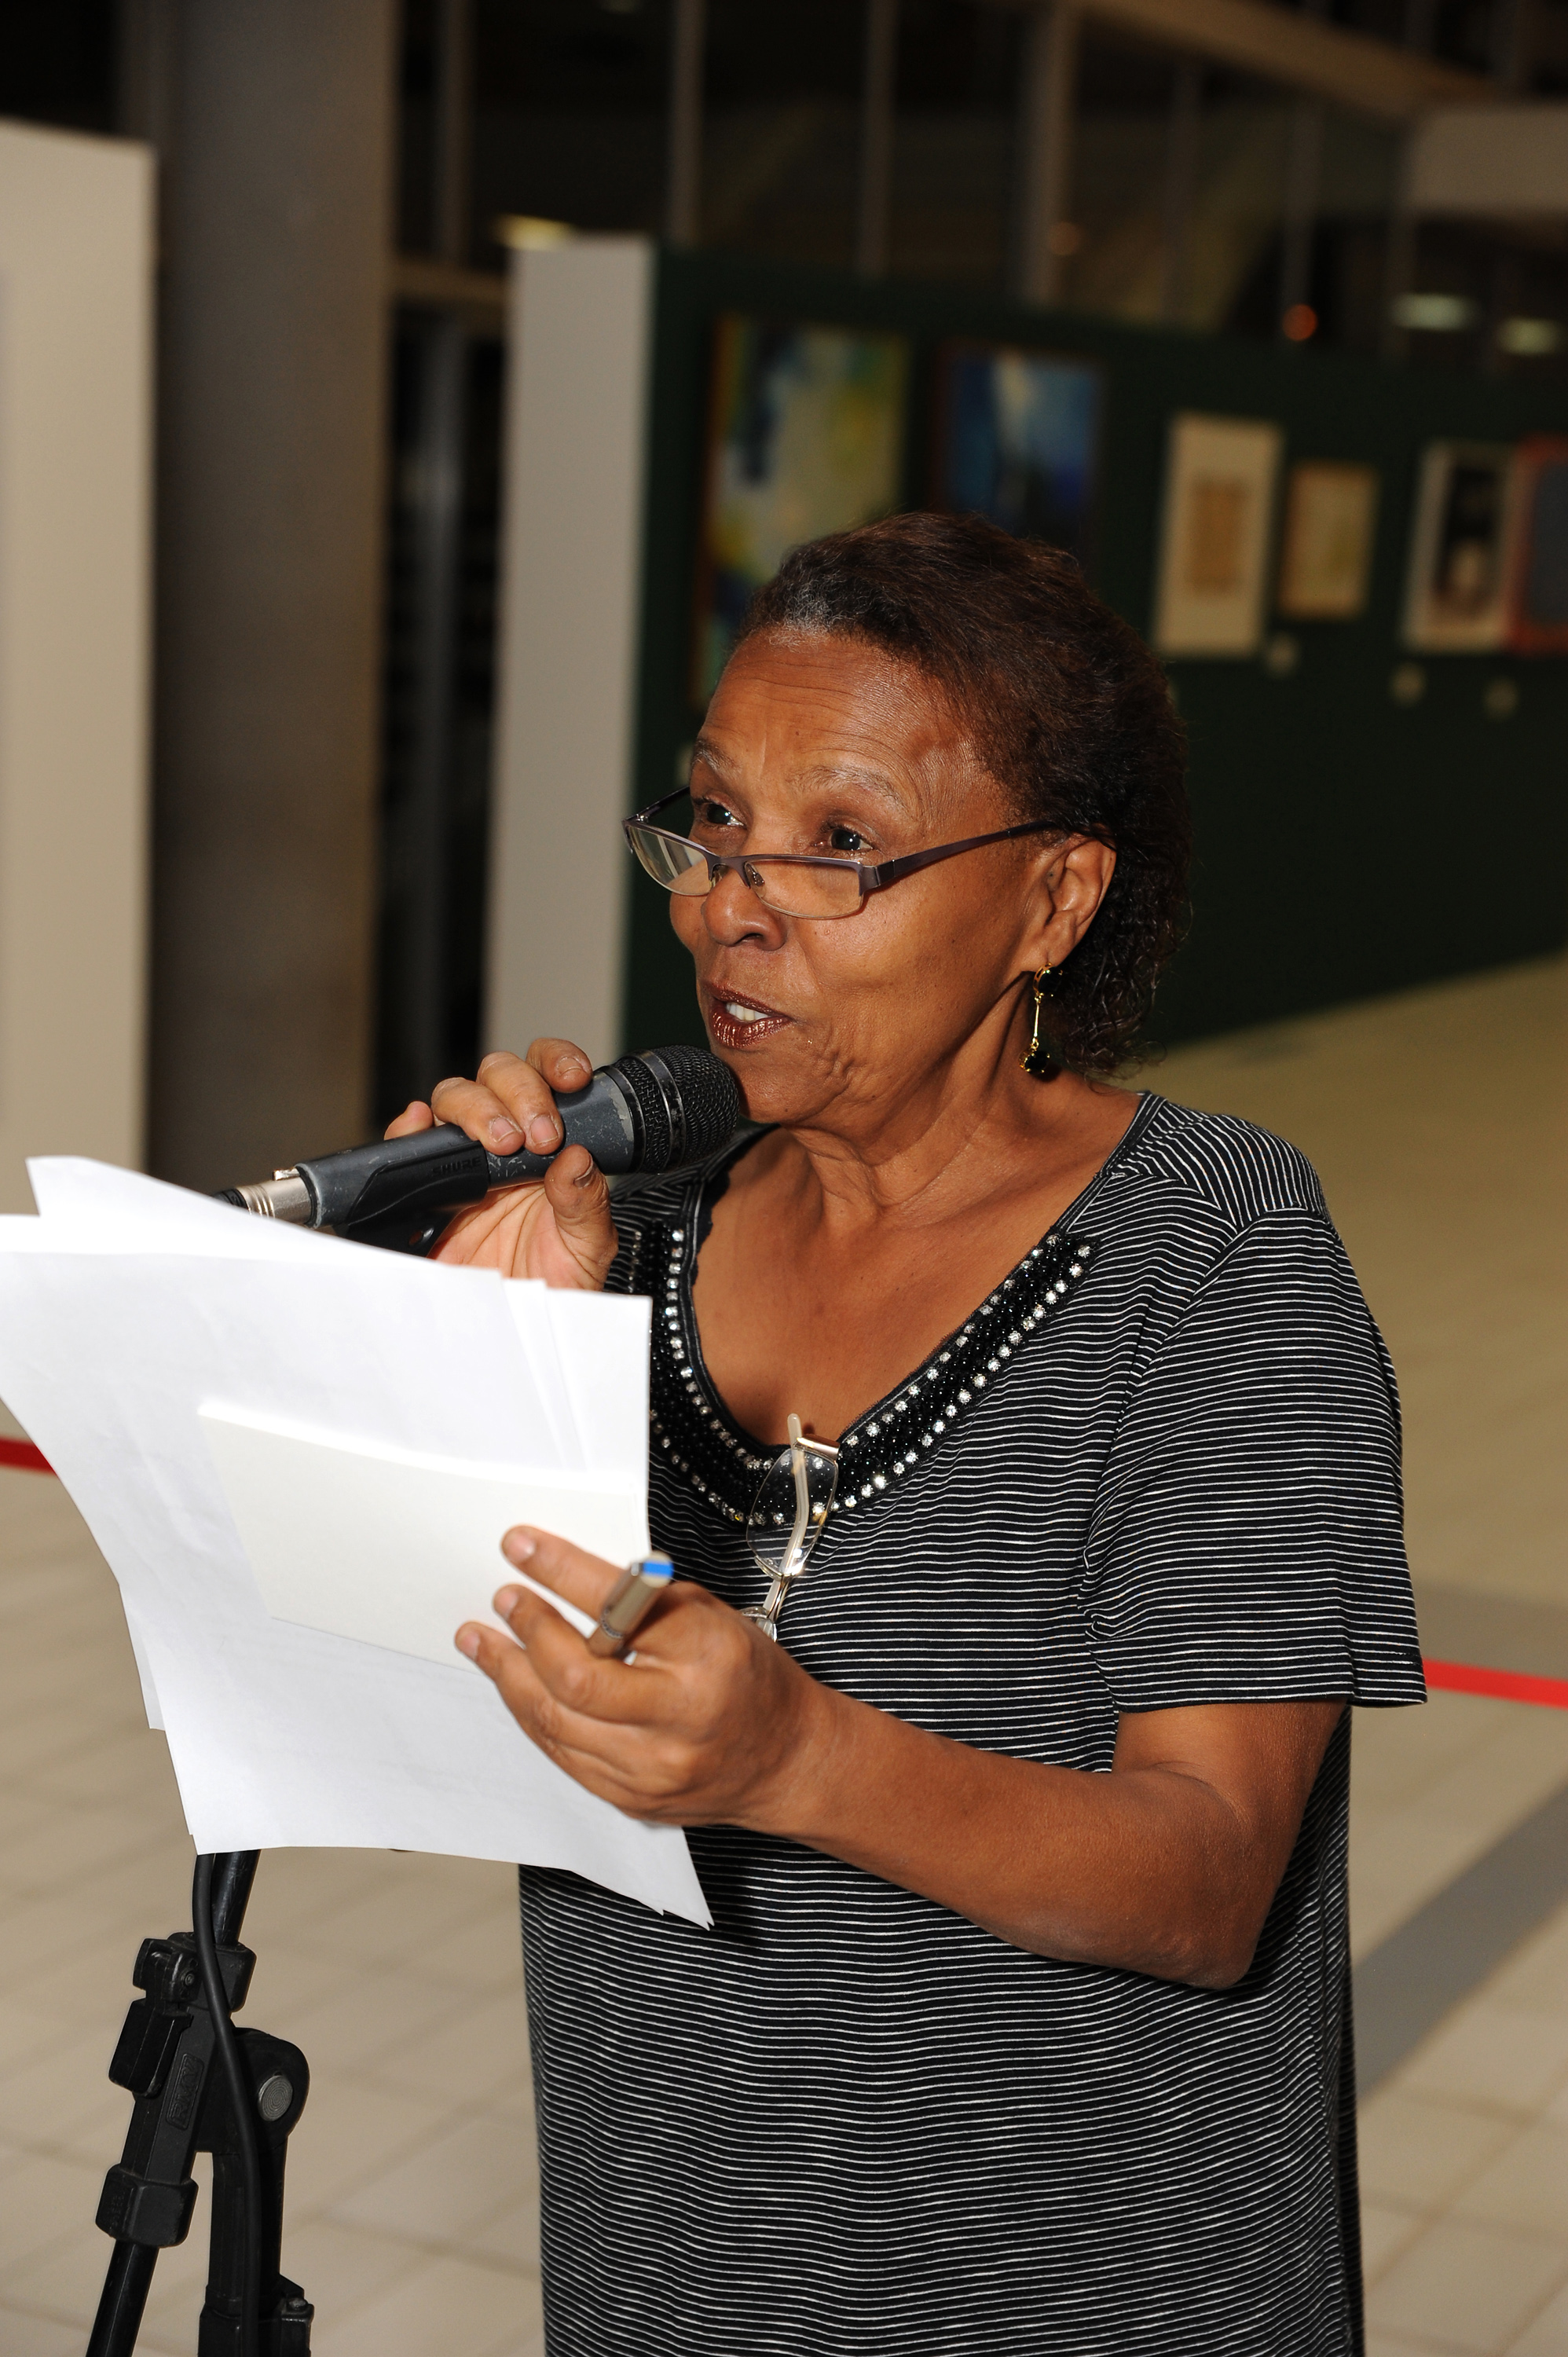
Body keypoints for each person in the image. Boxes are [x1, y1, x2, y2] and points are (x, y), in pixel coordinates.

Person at [389, 513, 1423, 2355]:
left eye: (840, 845)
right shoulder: (641, 1219)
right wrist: (467, 1360)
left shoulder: (1212, 1251)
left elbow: (1203, 1880)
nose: (731, 902)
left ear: (1050, 899)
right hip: (672, 2269)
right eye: (712, 822)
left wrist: (794, 1757)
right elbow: (444, 1711)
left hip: (1084, 2296)